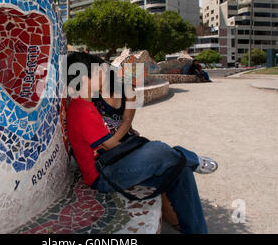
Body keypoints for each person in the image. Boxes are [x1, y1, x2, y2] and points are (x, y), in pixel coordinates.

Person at [66, 52, 218, 234]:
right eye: (99, 72)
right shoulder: (82, 110)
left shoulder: (87, 104)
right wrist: (144, 152)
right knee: (159, 150)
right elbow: (111, 146)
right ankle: (192, 159)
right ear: (85, 79)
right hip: (103, 175)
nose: (104, 75)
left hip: (114, 163)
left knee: (179, 171)